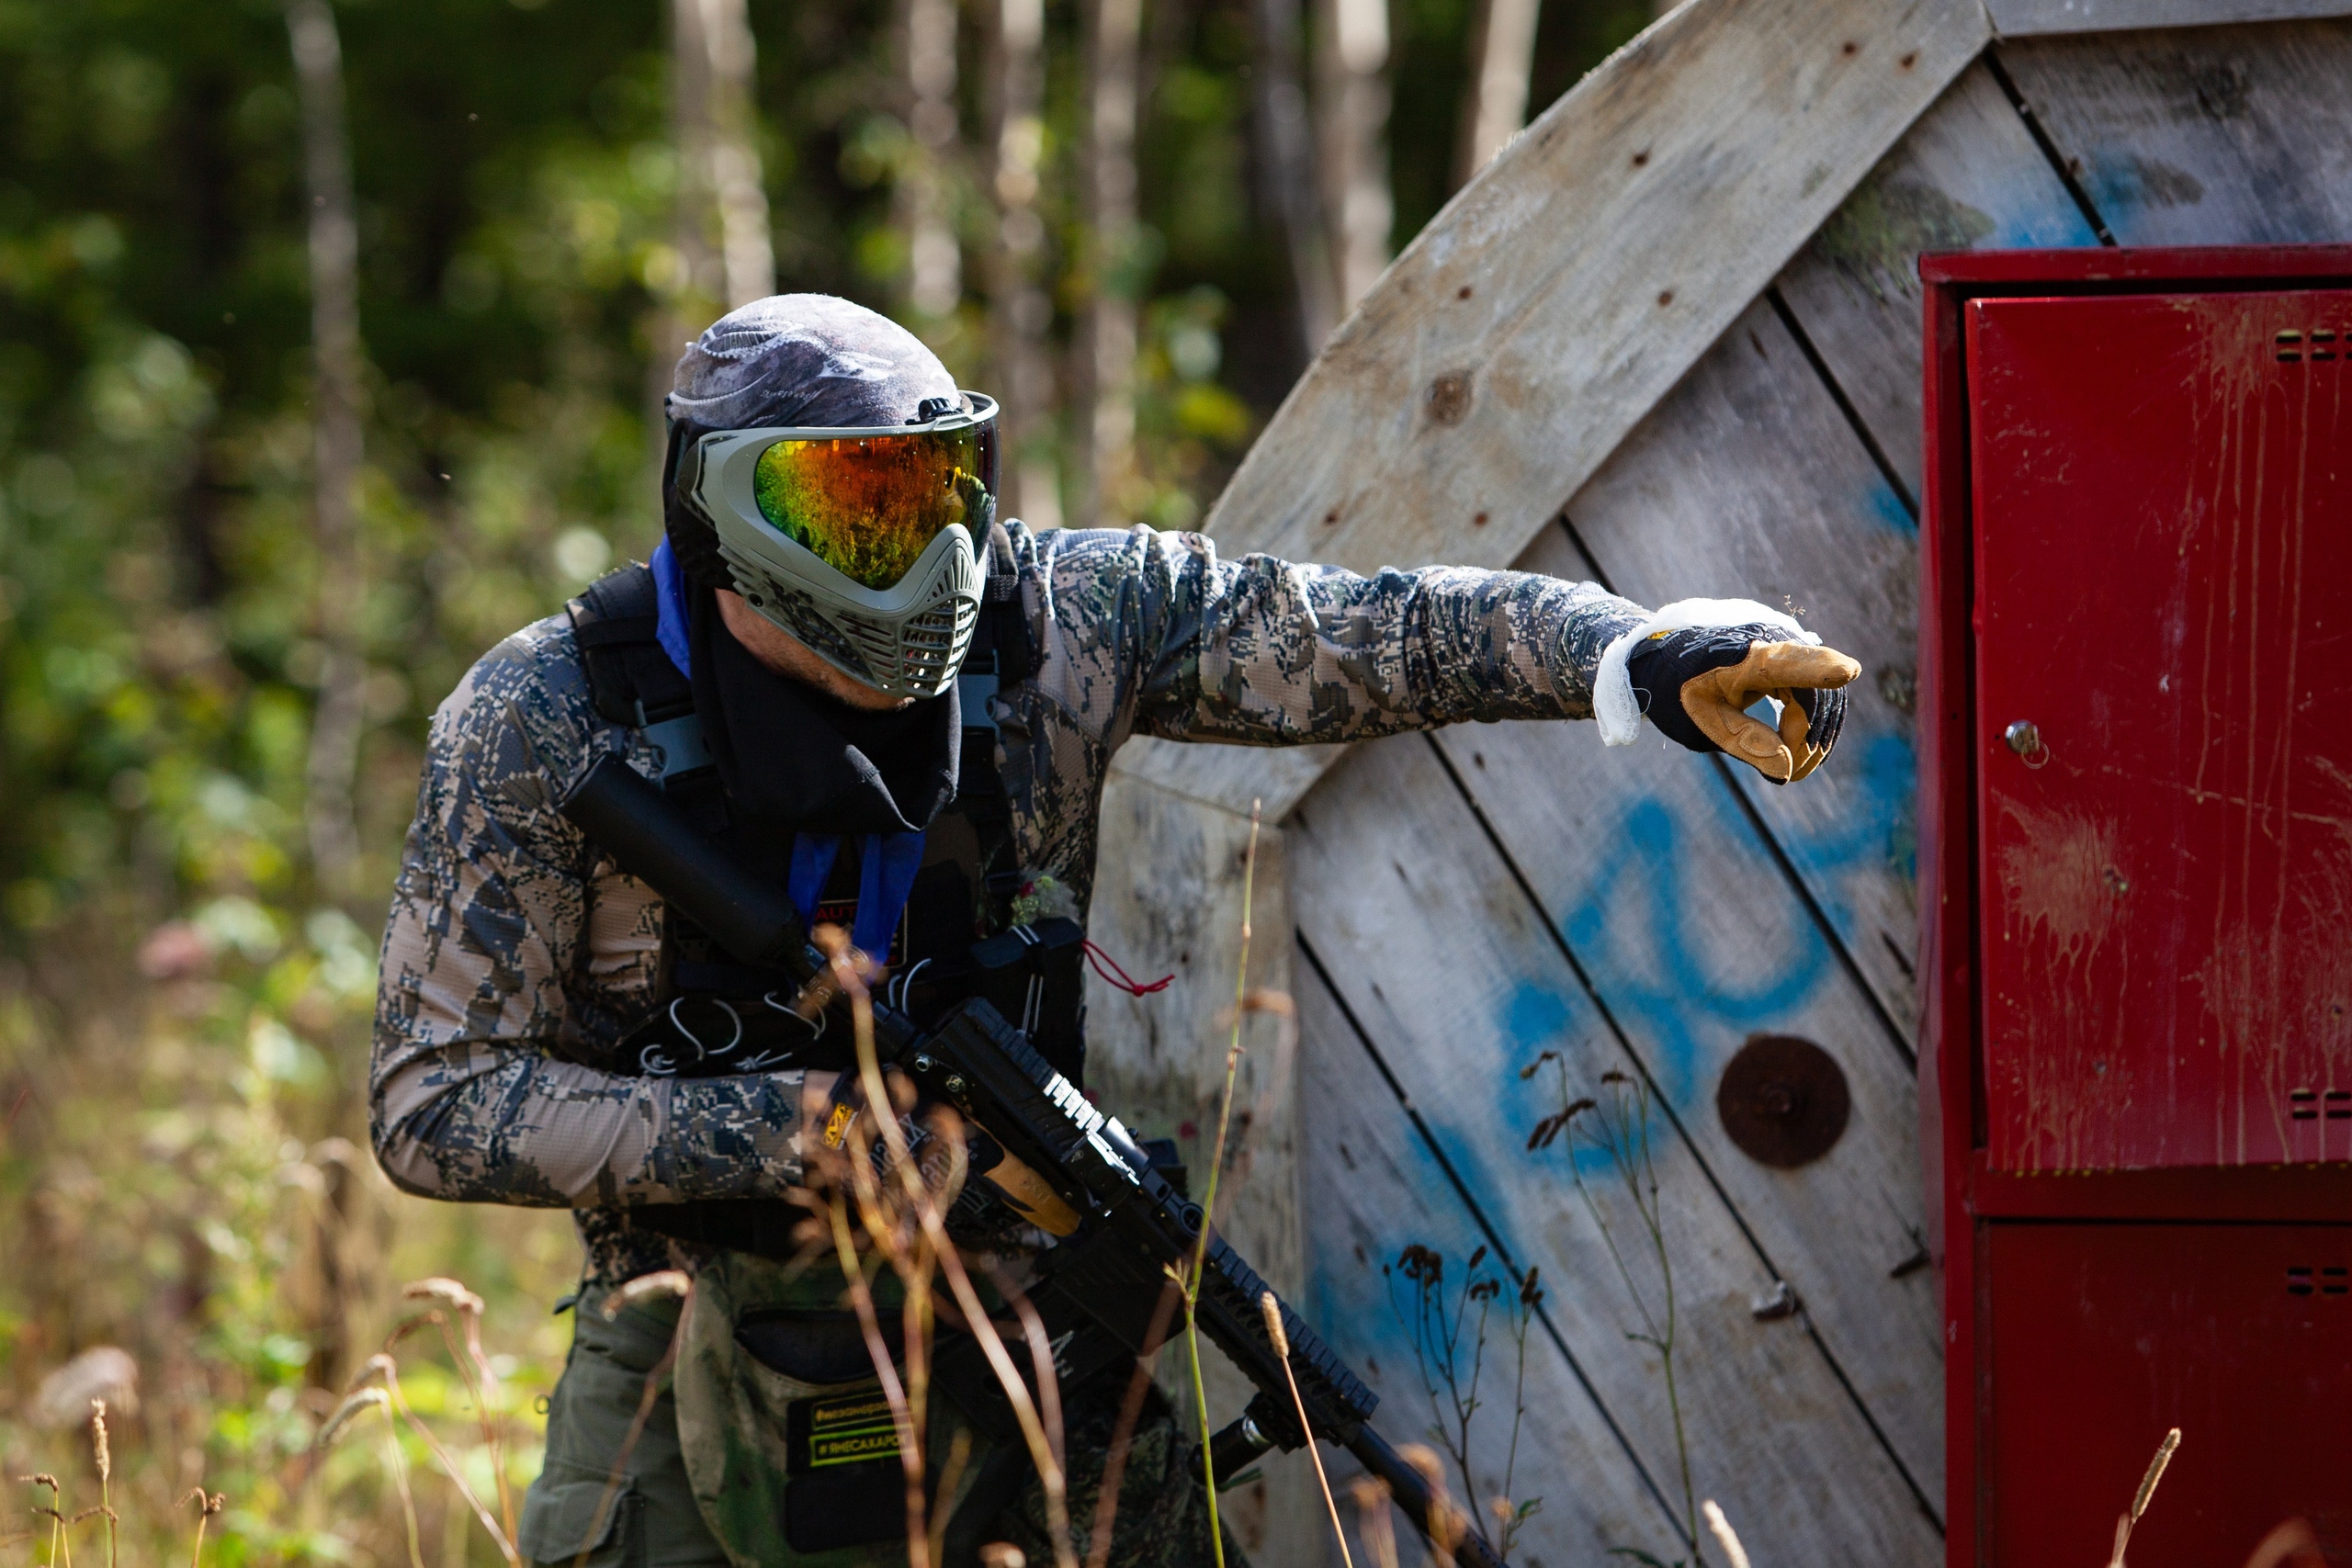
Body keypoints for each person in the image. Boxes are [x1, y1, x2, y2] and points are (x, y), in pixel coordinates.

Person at [369, 294, 1859, 1568]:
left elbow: (1371, 633)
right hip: (693, 1361)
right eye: (849, 506)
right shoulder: (553, 717)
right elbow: (433, 1103)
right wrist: (799, 1134)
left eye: (937, 488)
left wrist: (1634, 652)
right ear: (723, 510)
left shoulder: (1060, 621)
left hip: (1042, 1327)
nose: (914, 549)